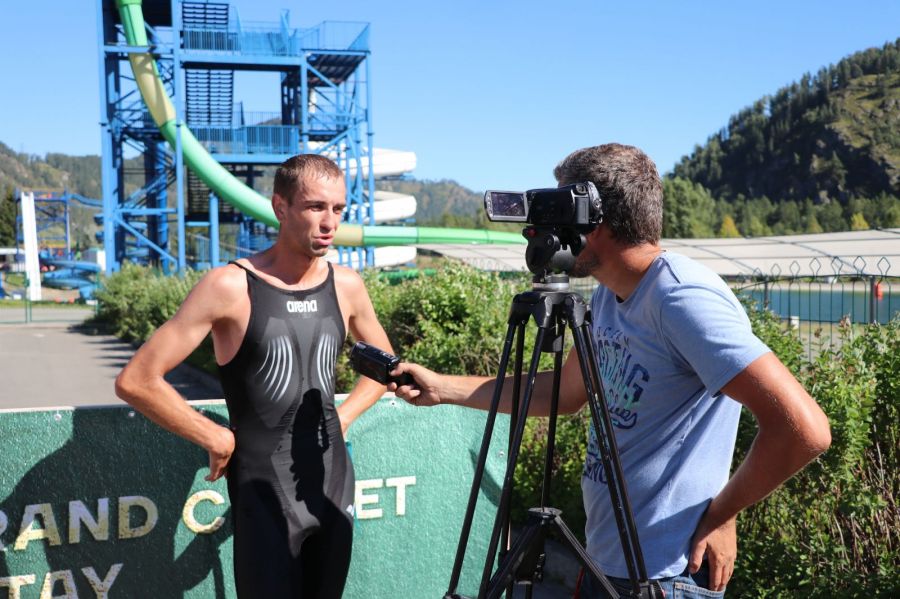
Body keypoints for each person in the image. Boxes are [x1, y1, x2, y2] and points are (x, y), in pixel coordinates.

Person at [391, 143, 831, 597]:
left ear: (591, 219)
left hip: (666, 574)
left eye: (557, 210)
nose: (541, 229)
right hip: (607, 558)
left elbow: (804, 428)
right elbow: (563, 394)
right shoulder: (607, 296)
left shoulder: (681, 299)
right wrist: (443, 388)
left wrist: (723, 513)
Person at [116, 154, 393, 598]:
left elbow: (384, 367)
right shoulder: (229, 286)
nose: (329, 222)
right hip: (262, 493)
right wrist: (214, 436)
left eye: (338, 209)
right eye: (314, 207)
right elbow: (137, 379)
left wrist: (343, 417)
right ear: (280, 207)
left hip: (333, 485)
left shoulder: (347, 285)